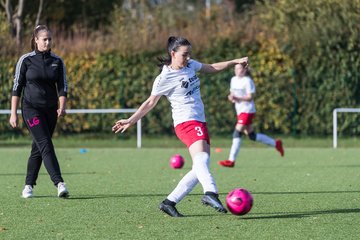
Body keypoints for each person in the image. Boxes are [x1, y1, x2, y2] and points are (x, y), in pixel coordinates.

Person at [112, 36, 248, 217]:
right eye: (184, 54)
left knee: (201, 164)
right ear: (173, 53)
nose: (187, 57)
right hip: (186, 122)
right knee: (200, 160)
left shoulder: (190, 65)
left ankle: (170, 202)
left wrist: (234, 62)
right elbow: (150, 102)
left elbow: (211, 67)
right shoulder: (164, 77)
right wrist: (131, 120)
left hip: (199, 120)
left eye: (189, 53)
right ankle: (210, 192)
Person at [9, 25, 69, 198]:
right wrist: (13, 113)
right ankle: (59, 183)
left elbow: (63, 87)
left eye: (50, 39)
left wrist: (62, 105)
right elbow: (16, 88)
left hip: (50, 111)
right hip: (31, 109)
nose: (48, 42)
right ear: (36, 40)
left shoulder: (58, 61)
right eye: (44, 39)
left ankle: (28, 186)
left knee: (38, 148)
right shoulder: (25, 60)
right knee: (45, 143)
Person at [218, 64, 284, 168]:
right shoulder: (233, 79)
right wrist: (231, 97)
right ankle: (276, 144)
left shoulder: (247, 81)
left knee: (237, 132)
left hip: (247, 110)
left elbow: (250, 97)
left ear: (244, 70)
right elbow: (232, 94)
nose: (237, 70)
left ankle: (231, 160)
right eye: (236, 69)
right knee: (251, 136)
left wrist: (238, 98)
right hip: (239, 110)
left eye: (240, 68)